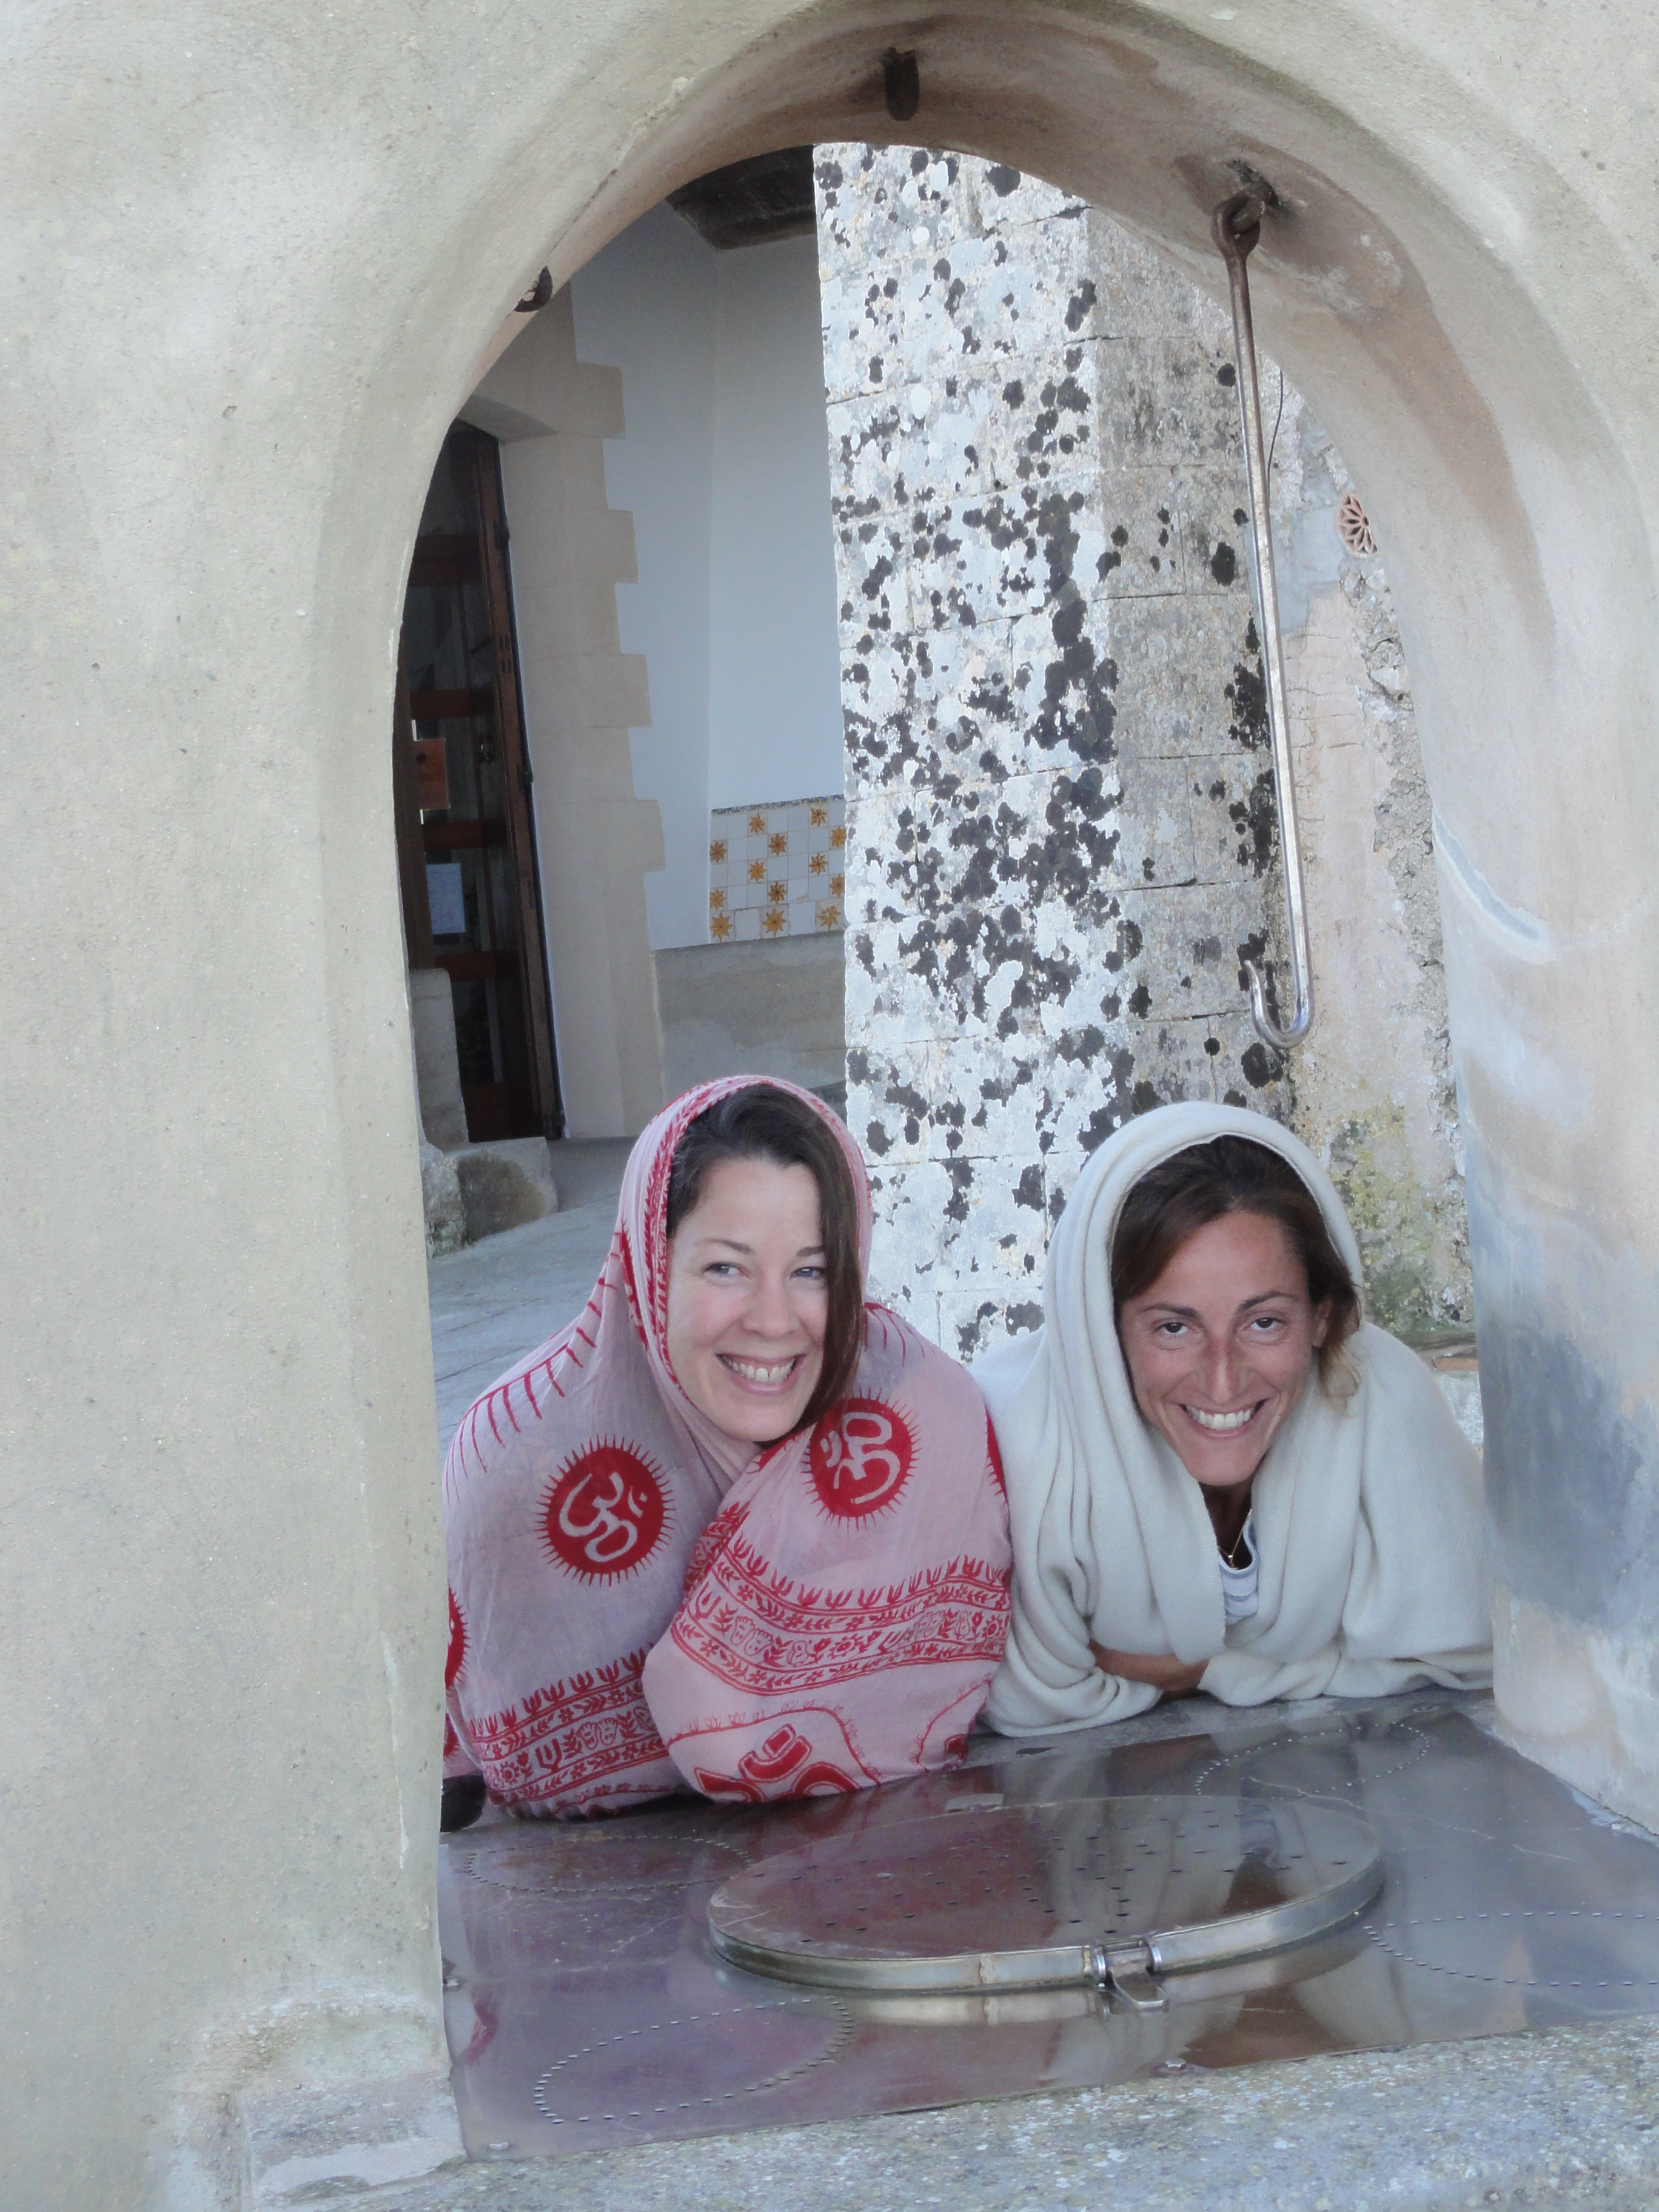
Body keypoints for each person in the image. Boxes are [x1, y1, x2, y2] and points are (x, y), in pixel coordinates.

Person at [442, 1076, 1011, 1820]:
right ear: (651, 1265)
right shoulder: (512, 1468)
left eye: (812, 1271)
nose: (774, 1320)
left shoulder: (926, 1416)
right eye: (726, 1268)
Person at [977, 1101, 1490, 1733]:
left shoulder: (1381, 1400)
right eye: (1174, 1327)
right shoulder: (1020, 1444)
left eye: (1264, 1322)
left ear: (1322, 1316)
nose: (1223, 1382)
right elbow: (1025, 1697)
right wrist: (1320, 1667)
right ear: (1103, 1332)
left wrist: (1204, 1672)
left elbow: (1468, 1654)